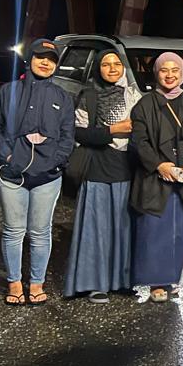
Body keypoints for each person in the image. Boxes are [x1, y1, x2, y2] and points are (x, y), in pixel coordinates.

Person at [0, 38, 76, 306]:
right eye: (40, 57)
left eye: (51, 59)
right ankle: (14, 282)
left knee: (40, 232)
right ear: (29, 59)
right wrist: (7, 156)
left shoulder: (62, 97)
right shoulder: (7, 91)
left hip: (48, 177)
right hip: (11, 175)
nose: (45, 63)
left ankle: (36, 283)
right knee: (14, 230)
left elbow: (68, 136)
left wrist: (56, 161)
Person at [129, 52, 183, 302]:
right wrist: (159, 165)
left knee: (178, 230)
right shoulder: (144, 105)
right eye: (164, 70)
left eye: (175, 70)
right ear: (157, 73)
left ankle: (172, 278)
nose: (170, 75)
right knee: (155, 228)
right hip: (155, 177)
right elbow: (139, 141)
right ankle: (156, 283)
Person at [63, 50, 141, 302]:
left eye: (117, 64)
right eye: (106, 64)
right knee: (95, 228)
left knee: (122, 226)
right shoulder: (89, 95)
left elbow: (142, 130)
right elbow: (79, 133)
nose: (112, 68)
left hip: (125, 166)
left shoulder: (133, 96)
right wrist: (114, 129)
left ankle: (122, 281)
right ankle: (94, 283)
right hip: (96, 166)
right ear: (98, 68)